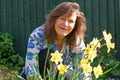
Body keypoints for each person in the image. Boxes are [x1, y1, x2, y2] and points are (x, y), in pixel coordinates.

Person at [21, 2, 91, 80]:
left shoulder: (77, 40)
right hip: (38, 76)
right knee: (46, 56)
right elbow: (31, 70)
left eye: (70, 21)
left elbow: (84, 70)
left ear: (75, 24)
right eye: (62, 18)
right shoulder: (38, 36)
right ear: (54, 19)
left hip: (63, 75)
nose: (65, 24)